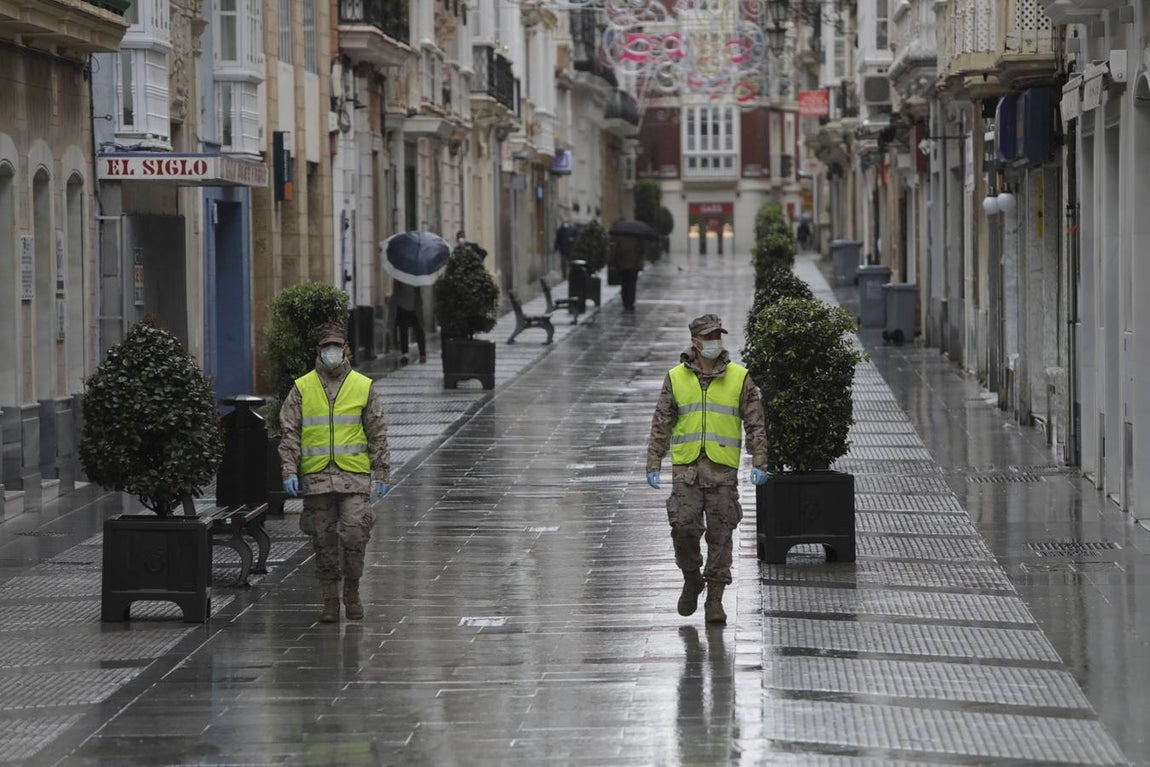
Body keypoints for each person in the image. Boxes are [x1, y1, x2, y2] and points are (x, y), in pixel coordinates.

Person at [645, 314, 770, 624]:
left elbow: (755, 422)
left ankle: (715, 600)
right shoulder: (675, 377)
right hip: (686, 470)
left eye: (718, 335)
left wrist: (760, 461)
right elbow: (662, 422)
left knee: (721, 535)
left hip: (722, 471)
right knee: (683, 527)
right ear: (695, 341)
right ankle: (691, 577)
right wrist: (653, 461)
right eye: (708, 336)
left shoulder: (740, 377)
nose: (714, 341)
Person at [279, 321, 391, 623]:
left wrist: (381, 472)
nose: (331, 352)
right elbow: (290, 431)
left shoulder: (363, 386)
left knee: (355, 533)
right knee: (323, 539)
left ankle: (352, 591)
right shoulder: (302, 387)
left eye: (336, 347)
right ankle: (329, 600)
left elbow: (377, 432)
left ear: (345, 349)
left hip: (353, 477)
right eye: (326, 346)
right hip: (316, 478)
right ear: (319, 350)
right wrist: (289, 469)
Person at [393, 281, 426, 365]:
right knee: (404, 330)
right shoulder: (399, 277)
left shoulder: (415, 277)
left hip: (413, 306)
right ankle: (405, 354)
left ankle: (422, 354)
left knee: (418, 330)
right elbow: (396, 292)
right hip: (403, 306)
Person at [611, 232, 646, 311]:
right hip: (634, 266)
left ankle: (625, 302)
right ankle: (630, 303)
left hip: (622, 266)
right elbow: (641, 252)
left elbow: (616, 253)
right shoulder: (637, 240)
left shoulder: (620, 240)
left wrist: (616, 263)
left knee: (624, 284)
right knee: (632, 285)